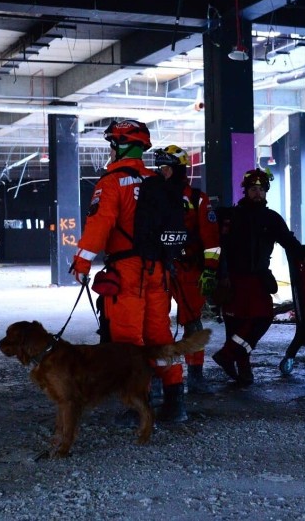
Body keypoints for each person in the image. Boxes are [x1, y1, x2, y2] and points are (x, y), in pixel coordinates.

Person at [71, 120, 187, 423]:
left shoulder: (111, 183)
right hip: (159, 269)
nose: (110, 150)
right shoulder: (157, 181)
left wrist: (82, 262)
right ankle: (176, 401)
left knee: (128, 340)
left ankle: (139, 405)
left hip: (127, 271)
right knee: (160, 335)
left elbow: (100, 225)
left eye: (112, 144)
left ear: (119, 146)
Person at [211, 168, 305, 386]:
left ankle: (228, 355)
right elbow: (218, 247)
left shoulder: (271, 218)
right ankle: (243, 371)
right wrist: (219, 275)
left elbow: (289, 242)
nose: (257, 193)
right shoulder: (230, 216)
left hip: (257, 279)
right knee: (236, 326)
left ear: (266, 192)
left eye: (261, 190)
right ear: (246, 191)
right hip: (232, 279)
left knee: (261, 318)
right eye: (253, 189)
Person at [154, 145, 221, 394]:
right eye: (160, 168)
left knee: (192, 322)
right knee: (156, 323)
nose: (162, 173)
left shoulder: (197, 199)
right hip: (159, 268)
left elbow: (212, 240)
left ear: (178, 169)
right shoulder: (153, 196)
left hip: (189, 270)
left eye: (166, 168)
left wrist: (210, 270)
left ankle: (195, 375)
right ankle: (159, 375)